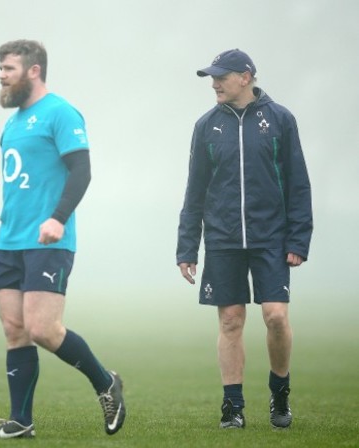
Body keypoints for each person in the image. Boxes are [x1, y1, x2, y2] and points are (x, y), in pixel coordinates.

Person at [0, 40, 126, 439]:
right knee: (14, 329)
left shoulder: (60, 112)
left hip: (48, 240)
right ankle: (20, 421)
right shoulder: (13, 122)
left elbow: (81, 171)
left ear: (34, 70)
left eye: (8, 68)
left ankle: (106, 383)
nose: (2, 75)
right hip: (9, 241)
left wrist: (58, 218)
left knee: (43, 329)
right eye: (0, 69)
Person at [176, 49, 313, 429]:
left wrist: (298, 239)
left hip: (271, 237)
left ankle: (280, 390)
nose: (215, 83)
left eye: (221, 76)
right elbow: (195, 190)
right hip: (222, 239)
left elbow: (298, 184)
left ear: (246, 76)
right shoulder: (205, 126)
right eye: (212, 77)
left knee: (276, 316)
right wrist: (187, 246)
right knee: (231, 321)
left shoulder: (281, 120)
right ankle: (233, 407)